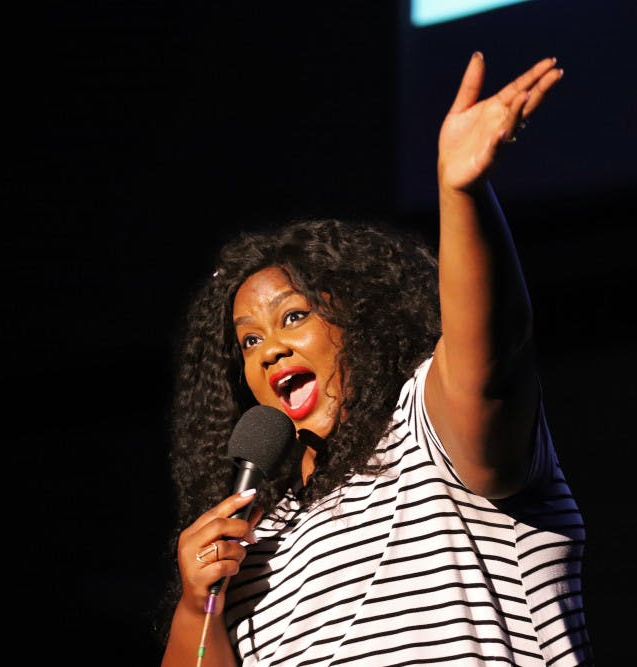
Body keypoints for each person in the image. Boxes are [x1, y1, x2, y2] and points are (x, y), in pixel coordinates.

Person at [158, 51, 592, 667]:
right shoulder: (255, 542)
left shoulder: (425, 435)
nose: (270, 348)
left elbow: (490, 355)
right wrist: (197, 606)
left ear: (359, 322)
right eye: (249, 342)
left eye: (293, 316)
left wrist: (461, 193)